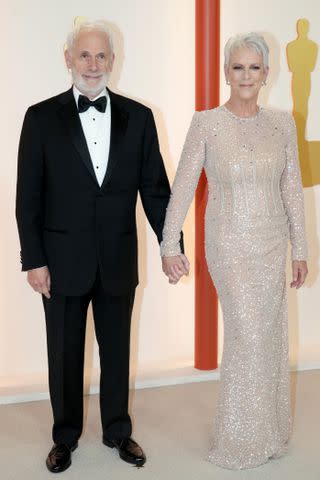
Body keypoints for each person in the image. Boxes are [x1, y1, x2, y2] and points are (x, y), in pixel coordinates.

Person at [16, 20, 188, 473]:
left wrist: (171, 245)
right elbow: (27, 196)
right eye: (85, 55)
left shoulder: (140, 117)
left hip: (116, 259)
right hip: (60, 262)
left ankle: (118, 431)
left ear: (113, 61)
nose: (93, 65)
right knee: (64, 355)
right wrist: (33, 259)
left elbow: (155, 189)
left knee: (117, 352)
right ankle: (64, 437)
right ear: (68, 58)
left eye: (101, 56)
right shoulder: (39, 118)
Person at [161, 32, 308, 469]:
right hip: (227, 244)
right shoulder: (206, 123)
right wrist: (170, 243)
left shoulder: (283, 123)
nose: (246, 75)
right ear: (226, 72)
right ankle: (239, 438)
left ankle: (269, 431)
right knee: (248, 335)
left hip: (271, 242)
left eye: (254, 67)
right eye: (238, 67)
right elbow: (183, 187)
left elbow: (293, 191)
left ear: (266, 73)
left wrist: (299, 248)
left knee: (270, 336)